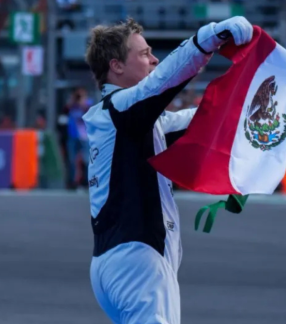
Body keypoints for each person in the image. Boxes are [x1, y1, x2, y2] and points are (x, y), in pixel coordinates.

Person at [82, 16, 253, 324]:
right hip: (137, 259)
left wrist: (265, 103)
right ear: (116, 66)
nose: (154, 59)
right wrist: (207, 39)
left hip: (115, 262)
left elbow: (205, 120)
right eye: (144, 53)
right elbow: (163, 82)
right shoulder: (122, 109)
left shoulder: (123, 117)